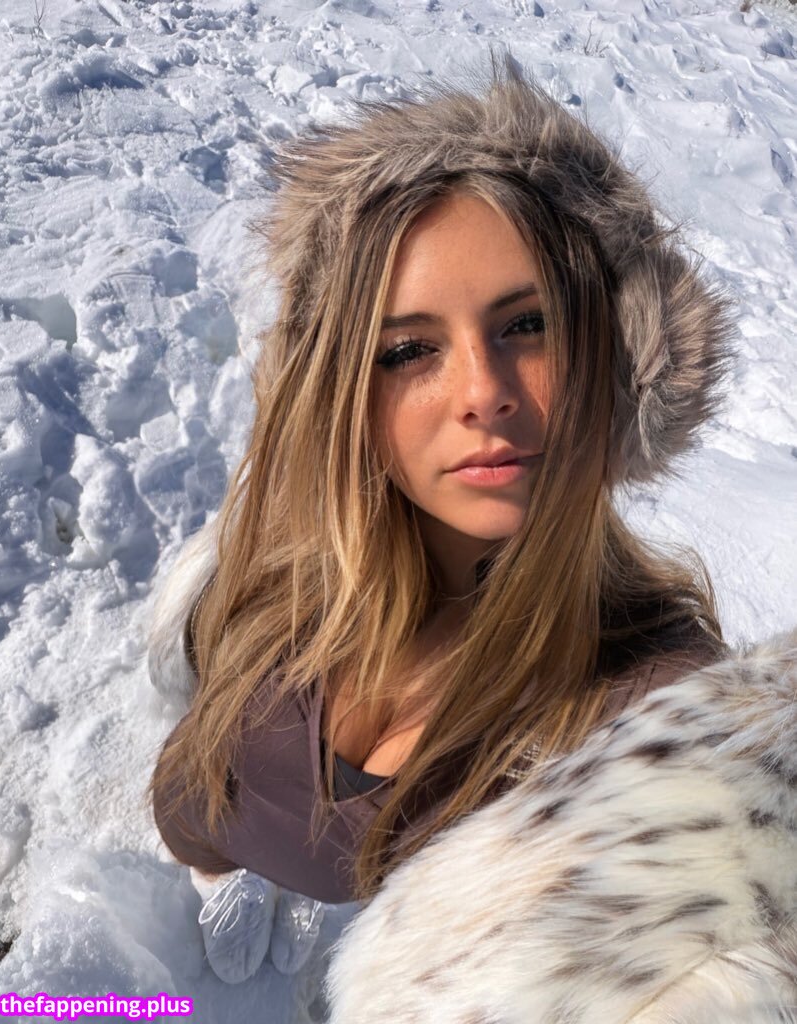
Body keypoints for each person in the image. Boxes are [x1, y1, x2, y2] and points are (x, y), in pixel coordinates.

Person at [146, 49, 738, 997]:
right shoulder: (268, 580)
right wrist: (207, 847)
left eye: (527, 325)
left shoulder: (650, 708)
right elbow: (193, 769)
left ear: (609, 358)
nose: (482, 392)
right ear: (343, 393)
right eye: (409, 349)